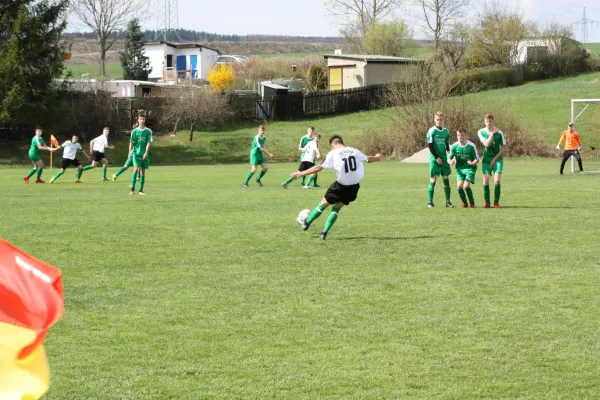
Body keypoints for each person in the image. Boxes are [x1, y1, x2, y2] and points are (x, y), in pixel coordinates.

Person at [292, 135, 382, 240]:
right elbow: (369, 159)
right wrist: (377, 157)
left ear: (333, 145)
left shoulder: (333, 153)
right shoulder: (354, 151)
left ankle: (306, 223)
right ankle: (323, 233)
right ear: (341, 142)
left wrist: (301, 173)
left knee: (322, 205)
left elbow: (319, 167)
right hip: (354, 187)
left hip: (340, 186)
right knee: (336, 208)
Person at [478, 113, 506, 208]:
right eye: (487, 121)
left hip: (497, 159)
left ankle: (496, 203)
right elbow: (486, 144)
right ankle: (487, 203)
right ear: (484, 122)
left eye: (490, 121)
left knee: (497, 180)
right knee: (486, 181)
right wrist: (492, 134)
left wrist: (494, 159)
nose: (488, 123)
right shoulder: (481, 132)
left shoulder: (500, 133)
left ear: (493, 122)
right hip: (486, 160)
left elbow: (503, 148)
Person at [426, 111, 453, 208]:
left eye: (440, 120)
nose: (439, 121)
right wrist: (437, 157)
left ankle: (448, 202)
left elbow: (446, 144)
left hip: (444, 159)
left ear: (443, 120)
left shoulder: (445, 131)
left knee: (446, 179)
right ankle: (430, 202)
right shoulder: (432, 131)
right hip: (435, 159)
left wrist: (450, 154)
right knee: (433, 179)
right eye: (437, 120)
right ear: (434, 120)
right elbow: (429, 145)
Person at [448, 128, 479, 208]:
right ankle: (465, 203)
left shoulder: (471, 146)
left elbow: (477, 159)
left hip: (470, 168)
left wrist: (472, 163)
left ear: (466, 135)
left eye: (462, 135)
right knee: (459, 186)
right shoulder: (454, 146)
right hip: (460, 169)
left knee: (466, 186)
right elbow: (450, 158)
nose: (460, 137)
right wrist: (451, 161)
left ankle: (472, 203)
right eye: (458, 135)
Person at [128, 115, 152, 195]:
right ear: (138, 120)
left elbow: (148, 143)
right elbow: (131, 142)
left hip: (144, 154)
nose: (142, 120)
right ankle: (132, 189)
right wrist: (129, 152)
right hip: (136, 153)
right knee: (135, 169)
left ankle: (140, 190)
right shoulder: (134, 131)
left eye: (143, 119)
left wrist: (146, 152)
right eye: (140, 119)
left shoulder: (148, 131)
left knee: (142, 172)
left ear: (144, 120)